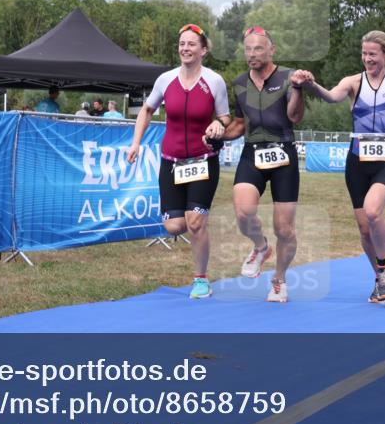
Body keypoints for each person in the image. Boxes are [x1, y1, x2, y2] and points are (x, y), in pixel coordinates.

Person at [301, 0, 385, 304]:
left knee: (373, 212)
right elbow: (331, 96)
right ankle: (379, 279)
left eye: (374, 54)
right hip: (357, 160)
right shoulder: (353, 83)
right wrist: (310, 84)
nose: (368, 59)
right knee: (363, 229)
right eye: (364, 54)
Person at [126, 24, 230, 299]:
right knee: (174, 225)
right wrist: (136, 142)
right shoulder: (165, 80)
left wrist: (219, 126)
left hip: (203, 160)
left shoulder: (215, 81)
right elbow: (147, 110)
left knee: (196, 222)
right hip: (171, 161)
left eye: (192, 44)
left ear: (203, 50)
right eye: (182, 44)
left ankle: (200, 279)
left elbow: (226, 117)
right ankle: (199, 221)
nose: (185, 48)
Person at [223, 26, 309, 303]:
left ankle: (279, 280)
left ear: (271, 50)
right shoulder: (238, 83)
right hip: (252, 151)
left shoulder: (287, 77)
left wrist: (297, 90)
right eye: (248, 49)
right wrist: (218, 133)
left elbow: (294, 117)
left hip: (283, 152)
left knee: (284, 229)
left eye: (258, 48)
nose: (252, 54)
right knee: (243, 212)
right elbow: (239, 123)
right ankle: (261, 248)